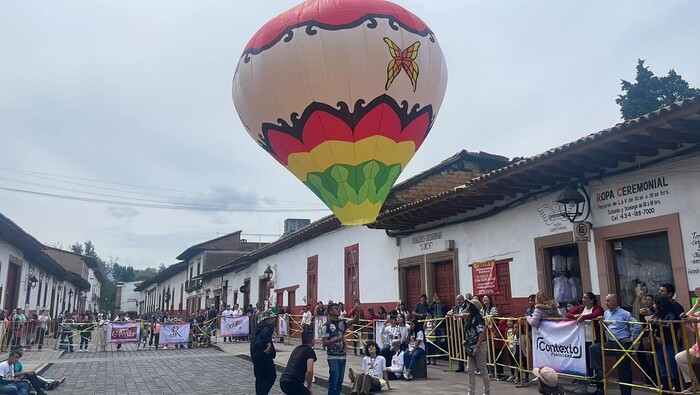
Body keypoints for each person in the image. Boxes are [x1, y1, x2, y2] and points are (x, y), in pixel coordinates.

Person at [588, 294, 641, 395]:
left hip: (623, 343)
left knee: (624, 369)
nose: (606, 303)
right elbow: (606, 328)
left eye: (608, 301)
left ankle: (626, 393)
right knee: (594, 348)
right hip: (611, 342)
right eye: (605, 300)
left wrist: (632, 339)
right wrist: (601, 322)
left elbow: (637, 325)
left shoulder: (624, 313)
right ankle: (599, 372)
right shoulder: (606, 313)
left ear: (614, 302)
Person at [565, 292, 604, 392]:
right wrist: (576, 316)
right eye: (582, 298)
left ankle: (600, 387)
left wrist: (582, 317)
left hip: (595, 339)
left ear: (591, 300)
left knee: (596, 363)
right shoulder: (581, 308)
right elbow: (568, 314)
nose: (583, 299)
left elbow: (596, 314)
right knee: (584, 362)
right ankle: (584, 385)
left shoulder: (597, 308)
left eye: (585, 298)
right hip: (582, 339)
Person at [322, 302, 359, 395]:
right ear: (330, 312)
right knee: (333, 382)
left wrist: (358, 310)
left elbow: (355, 321)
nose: (338, 309)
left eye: (338, 308)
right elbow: (324, 343)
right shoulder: (326, 326)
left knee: (339, 382)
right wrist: (338, 339)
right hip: (333, 357)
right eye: (335, 308)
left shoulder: (342, 322)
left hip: (342, 356)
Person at [650, 296, 681, 391]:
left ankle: (677, 388)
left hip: (669, 343)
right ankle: (666, 387)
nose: (654, 305)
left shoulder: (671, 314)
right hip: (658, 343)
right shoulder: (656, 315)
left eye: (655, 303)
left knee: (672, 366)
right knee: (662, 366)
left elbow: (670, 325)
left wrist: (658, 324)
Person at [463, 299, 490, 395]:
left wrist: (477, 347)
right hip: (470, 346)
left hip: (480, 346)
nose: (467, 305)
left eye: (469, 304)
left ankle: (487, 392)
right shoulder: (470, 317)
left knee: (483, 370)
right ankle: (471, 392)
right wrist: (466, 341)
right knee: (470, 370)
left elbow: (481, 333)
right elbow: (470, 332)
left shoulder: (478, 318)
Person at [674, 296, 700, 394]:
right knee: (680, 357)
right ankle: (695, 385)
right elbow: (684, 318)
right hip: (698, 349)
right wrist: (695, 306)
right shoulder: (698, 314)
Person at [280, 330, 316, 395]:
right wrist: (309, 386)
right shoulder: (310, 351)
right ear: (311, 340)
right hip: (293, 382)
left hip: (284, 380)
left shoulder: (297, 349)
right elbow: (309, 371)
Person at [251, 310, 277, 395]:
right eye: (272, 318)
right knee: (271, 376)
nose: (273, 320)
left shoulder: (258, 327)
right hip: (264, 355)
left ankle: (259, 393)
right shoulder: (268, 326)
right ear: (267, 319)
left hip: (255, 355)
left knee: (259, 378)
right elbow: (264, 335)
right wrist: (269, 344)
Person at [447, 294, 468, 373]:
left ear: (463, 299)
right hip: (457, 330)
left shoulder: (467, 306)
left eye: (460, 299)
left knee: (467, 347)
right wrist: (452, 314)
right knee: (459, 348)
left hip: (466, 329)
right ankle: (460, 366)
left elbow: (468, 314)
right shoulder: (455, 308)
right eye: (457, 300)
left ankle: (470, 365)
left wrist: (459, 316)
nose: (458, 301)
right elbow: (448, 313)